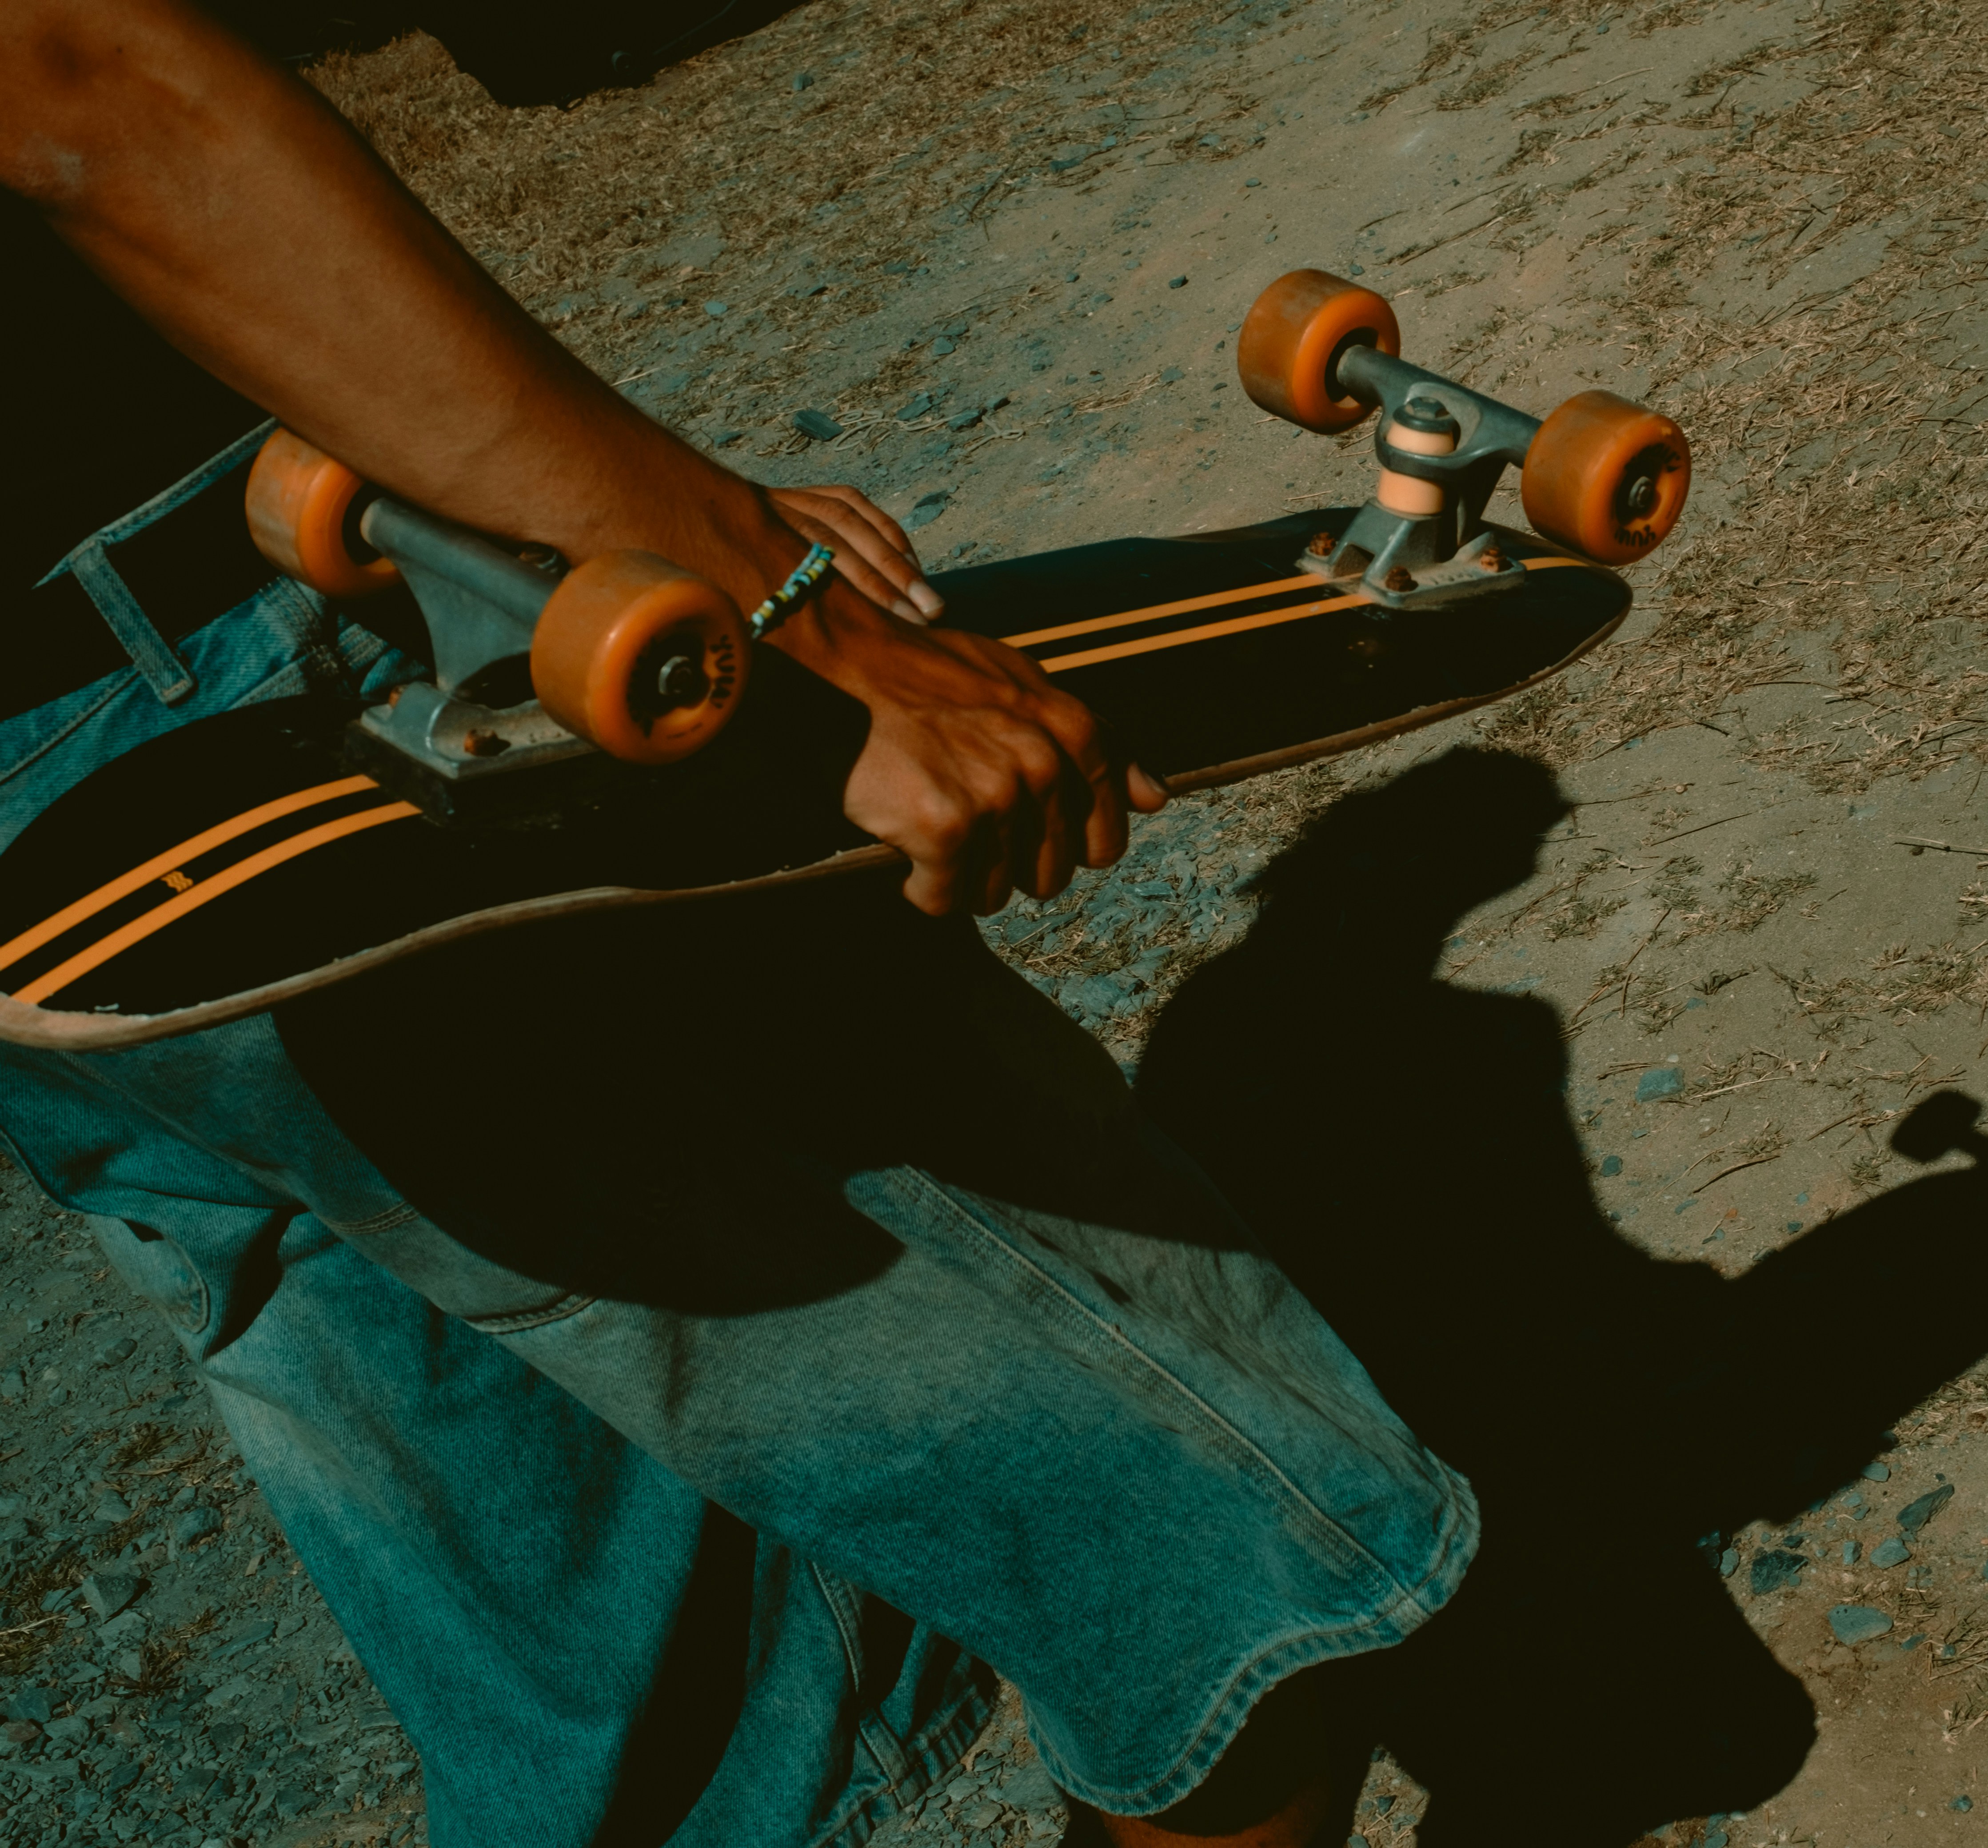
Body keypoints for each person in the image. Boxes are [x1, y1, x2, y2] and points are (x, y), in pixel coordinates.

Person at [0, 5, 1477, 1846]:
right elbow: (75, 79)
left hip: (72, 887)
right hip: (254, 698)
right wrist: (778, 599)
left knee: (643, 1755)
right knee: (1218, 1559)